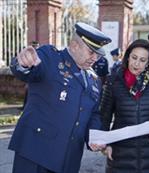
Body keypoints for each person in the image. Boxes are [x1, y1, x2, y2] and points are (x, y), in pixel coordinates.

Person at [9, 22, 111, 173]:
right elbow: (27, 69)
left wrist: (94, 138)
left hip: (68, 160)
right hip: (36, 154)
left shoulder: (93, 80)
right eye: (91, 52)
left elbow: (93, 114)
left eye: (98, 54)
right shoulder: (50, 57)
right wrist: (23, 63)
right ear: (75, 45)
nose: (95, 58)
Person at [100, 39, 149, 173]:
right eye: (134, 58)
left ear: (148, 63)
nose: (136, 63)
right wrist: (106, 143)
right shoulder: (114, 81)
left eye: (142, 60)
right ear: (127, 58)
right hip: (120, 154)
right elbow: (104, 117)